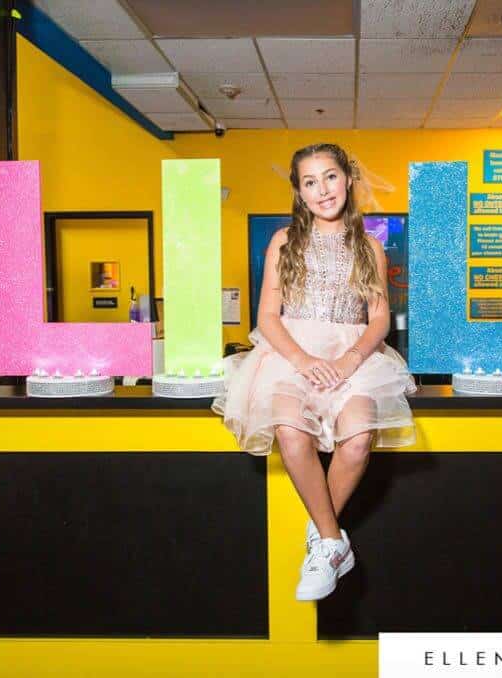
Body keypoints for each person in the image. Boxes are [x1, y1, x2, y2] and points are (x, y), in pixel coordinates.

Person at [212, 143, 416, 601]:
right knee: (290, 433)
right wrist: (304, 361)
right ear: (299, 193)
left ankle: (323, 540)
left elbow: (379, 318)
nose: (322, 189)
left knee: (359, 437)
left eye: (329, 177)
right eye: (310, 182)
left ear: (347, 179)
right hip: (292, 353)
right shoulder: (284, 240)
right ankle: (332, 542)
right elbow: (267, 317)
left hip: (354, 355)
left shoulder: (369, 246)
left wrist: (348, 361)